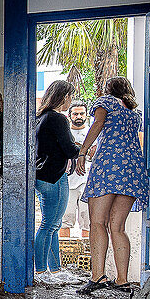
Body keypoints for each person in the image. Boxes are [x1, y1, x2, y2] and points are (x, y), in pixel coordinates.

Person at [76, 77, 147, 294]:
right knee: (118, 227)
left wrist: (83, 151)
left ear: (109, 90)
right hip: (132, 170)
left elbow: (98, 124)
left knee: (97, 222)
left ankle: (97, 276)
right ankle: (122, 280)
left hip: (108, 167)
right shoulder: (135, 114)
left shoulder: (105, 102)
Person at [33, 80, 80, 284]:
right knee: (49, 225)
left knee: (52, 224)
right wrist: (86, 150)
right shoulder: (58, 118)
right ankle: (42, 271)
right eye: (70, 96)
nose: (70, 101)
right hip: (54, 176)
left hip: (41, 177)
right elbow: (69, 150)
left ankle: (54, 269)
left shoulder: (41, 118)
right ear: (63, 97)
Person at [60, 101, 90, 237]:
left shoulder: (92, 133)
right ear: (70, 115)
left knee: (88, 223)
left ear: (86, 115)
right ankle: (64, 256)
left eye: (81, 113)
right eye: (75, 113)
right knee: (65, 221)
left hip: (88, 182)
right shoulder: (65, 133)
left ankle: (88, 257)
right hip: (68, 182)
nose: (79, 116)